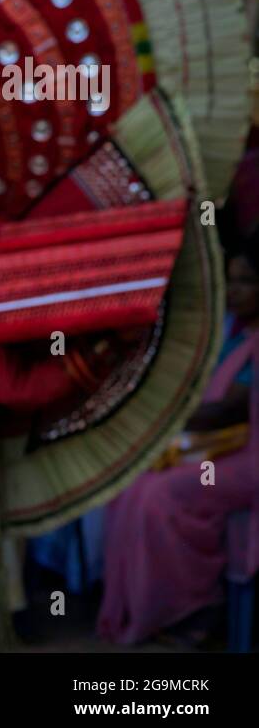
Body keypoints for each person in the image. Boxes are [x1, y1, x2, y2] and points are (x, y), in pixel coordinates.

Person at [98, 238, 259, 645]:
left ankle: (194, 608)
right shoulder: (233, 335)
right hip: (214, 447)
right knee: (129, 487)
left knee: (161, 495)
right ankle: (144, 608)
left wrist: (164, 420)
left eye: (246, 282)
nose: (234, 290)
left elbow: (228, 412)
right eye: (231, 280)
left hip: (246, 457)